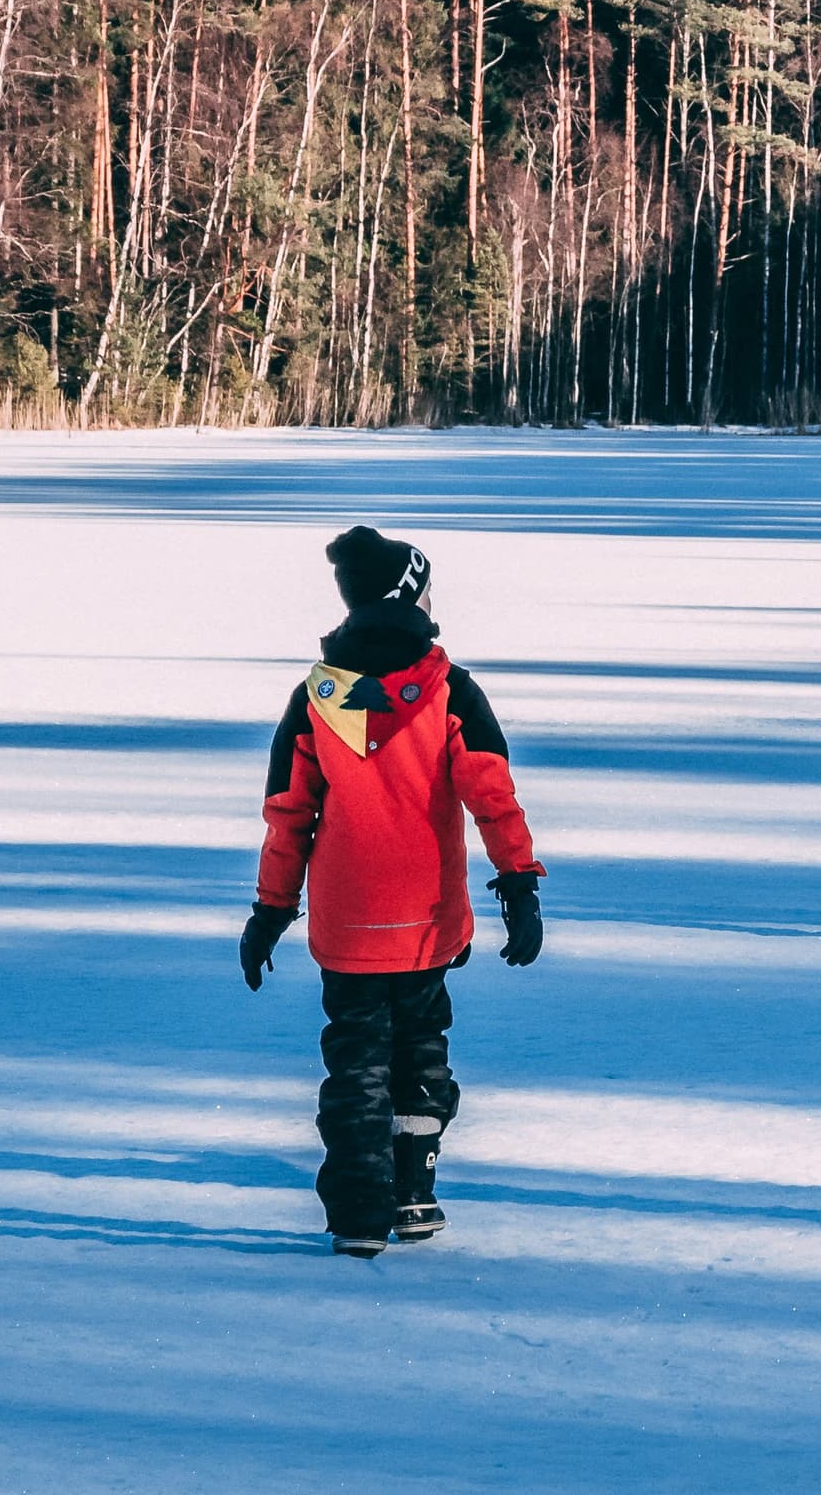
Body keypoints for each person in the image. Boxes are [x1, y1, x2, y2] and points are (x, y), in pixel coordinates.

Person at [242, 525, 543, 1256]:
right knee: (420, 1055)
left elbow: (290, 812)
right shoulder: (450, 692)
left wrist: (272, 910)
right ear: (411, 596)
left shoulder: (316, 698)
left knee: (356, 1069)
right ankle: (412, 1194)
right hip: (427, 923)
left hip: (348, 928)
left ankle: (356, 1217)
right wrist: (518, 886)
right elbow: (493, 797)